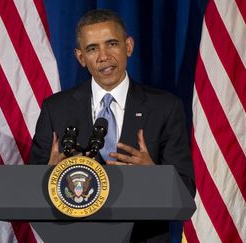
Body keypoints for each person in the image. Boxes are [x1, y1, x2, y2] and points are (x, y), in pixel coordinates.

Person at [29, 9, 195, 242]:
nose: (103, 56)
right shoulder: (56, 109)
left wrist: (154, 176)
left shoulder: (165, 107)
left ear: (128, 46)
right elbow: (29, 190)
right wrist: (47, 176)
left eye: (112, 44)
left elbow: (186, 192)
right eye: (92, 48)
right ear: (80, 57)